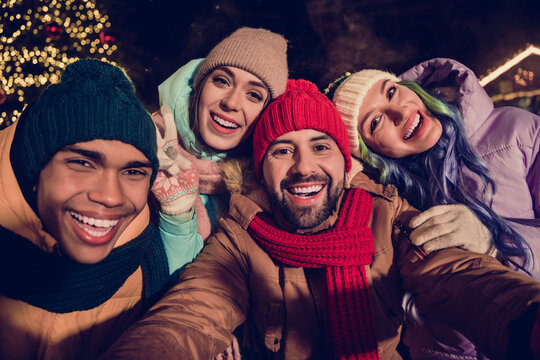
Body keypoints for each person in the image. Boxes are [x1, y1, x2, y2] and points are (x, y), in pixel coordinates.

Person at [100, 79, 540, 360]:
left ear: (345, 162)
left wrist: (528, 320)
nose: (304, 167)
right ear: (261, 167)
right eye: (282, 150)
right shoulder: (241, 235)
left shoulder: (383, 211)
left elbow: (455, 276)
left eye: (321, 146)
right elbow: (190, 315)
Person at [327, 61, 540, 359]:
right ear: (370, 153)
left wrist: (494, 241)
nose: (399, 112)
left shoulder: (515, 132)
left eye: (391, 92)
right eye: (375, 123)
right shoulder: (391, 207)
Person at [0, 59, 191, 359]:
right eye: (83, 163)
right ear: (35, 166)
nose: (110, 197)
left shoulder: (144, 267)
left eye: (133, 172)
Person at [152, 26, 288, 244]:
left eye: (253, 94)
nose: (231, 102)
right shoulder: (147, 148)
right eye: (222, 81)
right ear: (199, 86)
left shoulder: (269, 190)